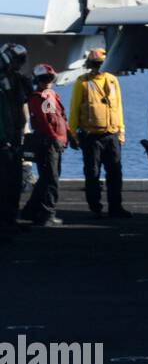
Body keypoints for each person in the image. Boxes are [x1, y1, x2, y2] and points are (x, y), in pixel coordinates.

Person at [69, 48, 130, 218]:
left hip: (112, 135)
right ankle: (95, 207)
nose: (98, 67)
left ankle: (116, 207)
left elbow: (118, 107)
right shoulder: (82, 82)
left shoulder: (112, 81)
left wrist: (122, 131)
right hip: (91, 136)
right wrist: (73, 133)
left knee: (115, 173)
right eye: (96, 64)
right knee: (93, 173)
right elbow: (74, 110)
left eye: (101, 64)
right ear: (90, 65)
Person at [21, 63, 68, 226]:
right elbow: (43, 122)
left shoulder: (53, 95)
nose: (47, 81)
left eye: (49, 78)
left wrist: (69, 135)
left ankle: (30, 211)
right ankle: (47, 213)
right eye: (43, 79)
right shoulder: (36, 98)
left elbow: (61, 117)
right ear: (38, 80)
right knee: (51, 180)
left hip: (56, 142)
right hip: (47, 143)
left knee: (46, 179)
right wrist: (55, 137)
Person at [0, 43, 30, 238]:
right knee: (4, 184)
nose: (19, 65)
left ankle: (10, 219)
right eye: (17, 60)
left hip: (15, 138)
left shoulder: (18, 81)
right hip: (4, 141)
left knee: (14, 183)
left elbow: (24, 105)